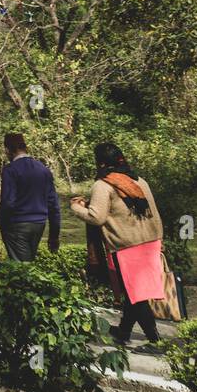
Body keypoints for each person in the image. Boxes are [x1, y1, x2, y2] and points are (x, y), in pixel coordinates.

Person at [70, 142, 165, 346]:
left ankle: (156, 341)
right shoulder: (138, 180)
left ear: (100, 162)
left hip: (127, 246)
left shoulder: (103, 185)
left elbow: (96, 217)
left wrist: (76, 208)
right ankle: (123, 332)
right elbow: (154, 212)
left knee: (137, 296)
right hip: (150, 242)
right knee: (133, 292)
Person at [0, 132, 62, 262]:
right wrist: (54, 235)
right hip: (39, 224)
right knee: (28, 262)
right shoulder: (43, 169)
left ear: (7, 150)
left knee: (22, 270)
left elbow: (8, 202)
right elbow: (53, 204)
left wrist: (2, 224)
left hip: (17, 224)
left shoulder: (11, 170)